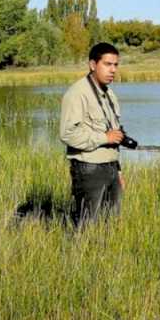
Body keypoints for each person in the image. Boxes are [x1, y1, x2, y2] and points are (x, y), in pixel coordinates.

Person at [60, 42, 125, 228]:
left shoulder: (109, 94)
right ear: (92, 65)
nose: (113, 70)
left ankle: (104, 256)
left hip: (110, 167)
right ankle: (80, 256)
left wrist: (118, 170)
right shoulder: (77, 93)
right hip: (88, 168)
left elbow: (115, 134)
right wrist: (104, 138)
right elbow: (66, 133)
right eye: (107, 64)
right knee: (87, 225)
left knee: (110, 224)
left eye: (115, 65)